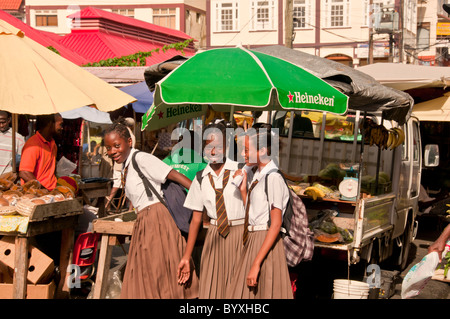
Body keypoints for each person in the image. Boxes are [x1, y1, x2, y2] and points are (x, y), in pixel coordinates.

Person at [103, 121, 198, 299]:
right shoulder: (126, 166)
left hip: (157, 220)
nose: (112, 151)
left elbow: (174, 175)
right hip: (144, 222)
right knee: (145, 274)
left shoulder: (141, 159)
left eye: (117, 146)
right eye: (108, 148)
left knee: (159, 274)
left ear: (129, 142)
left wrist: (199, 197)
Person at [177, 122, 246, 298]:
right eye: (209, 146)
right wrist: (186, 256)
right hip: (214, 237)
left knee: (238, 291)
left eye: (218, 146)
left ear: (227, 146)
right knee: (213, 290)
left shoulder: (241, 171)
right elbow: (196, 219)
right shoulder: (200, 178)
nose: (213, 151)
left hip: (240, 236)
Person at [226, 123, 293, 299]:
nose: (243, 154)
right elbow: (255, 212)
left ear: (262, 150)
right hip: (253, 240)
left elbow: (276, 223)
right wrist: (242, 190)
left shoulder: (273, 178)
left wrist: (256, 263)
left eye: (247, 150)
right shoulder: (258, 175)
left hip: (264, 243)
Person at [19, 113, 63, 191]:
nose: (62, 128)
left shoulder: (53, 144)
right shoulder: (33, 144)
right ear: (50, 123)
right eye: (60, 124)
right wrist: (42, 190)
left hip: (50, 192)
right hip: (36, 194)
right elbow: (24, 173)